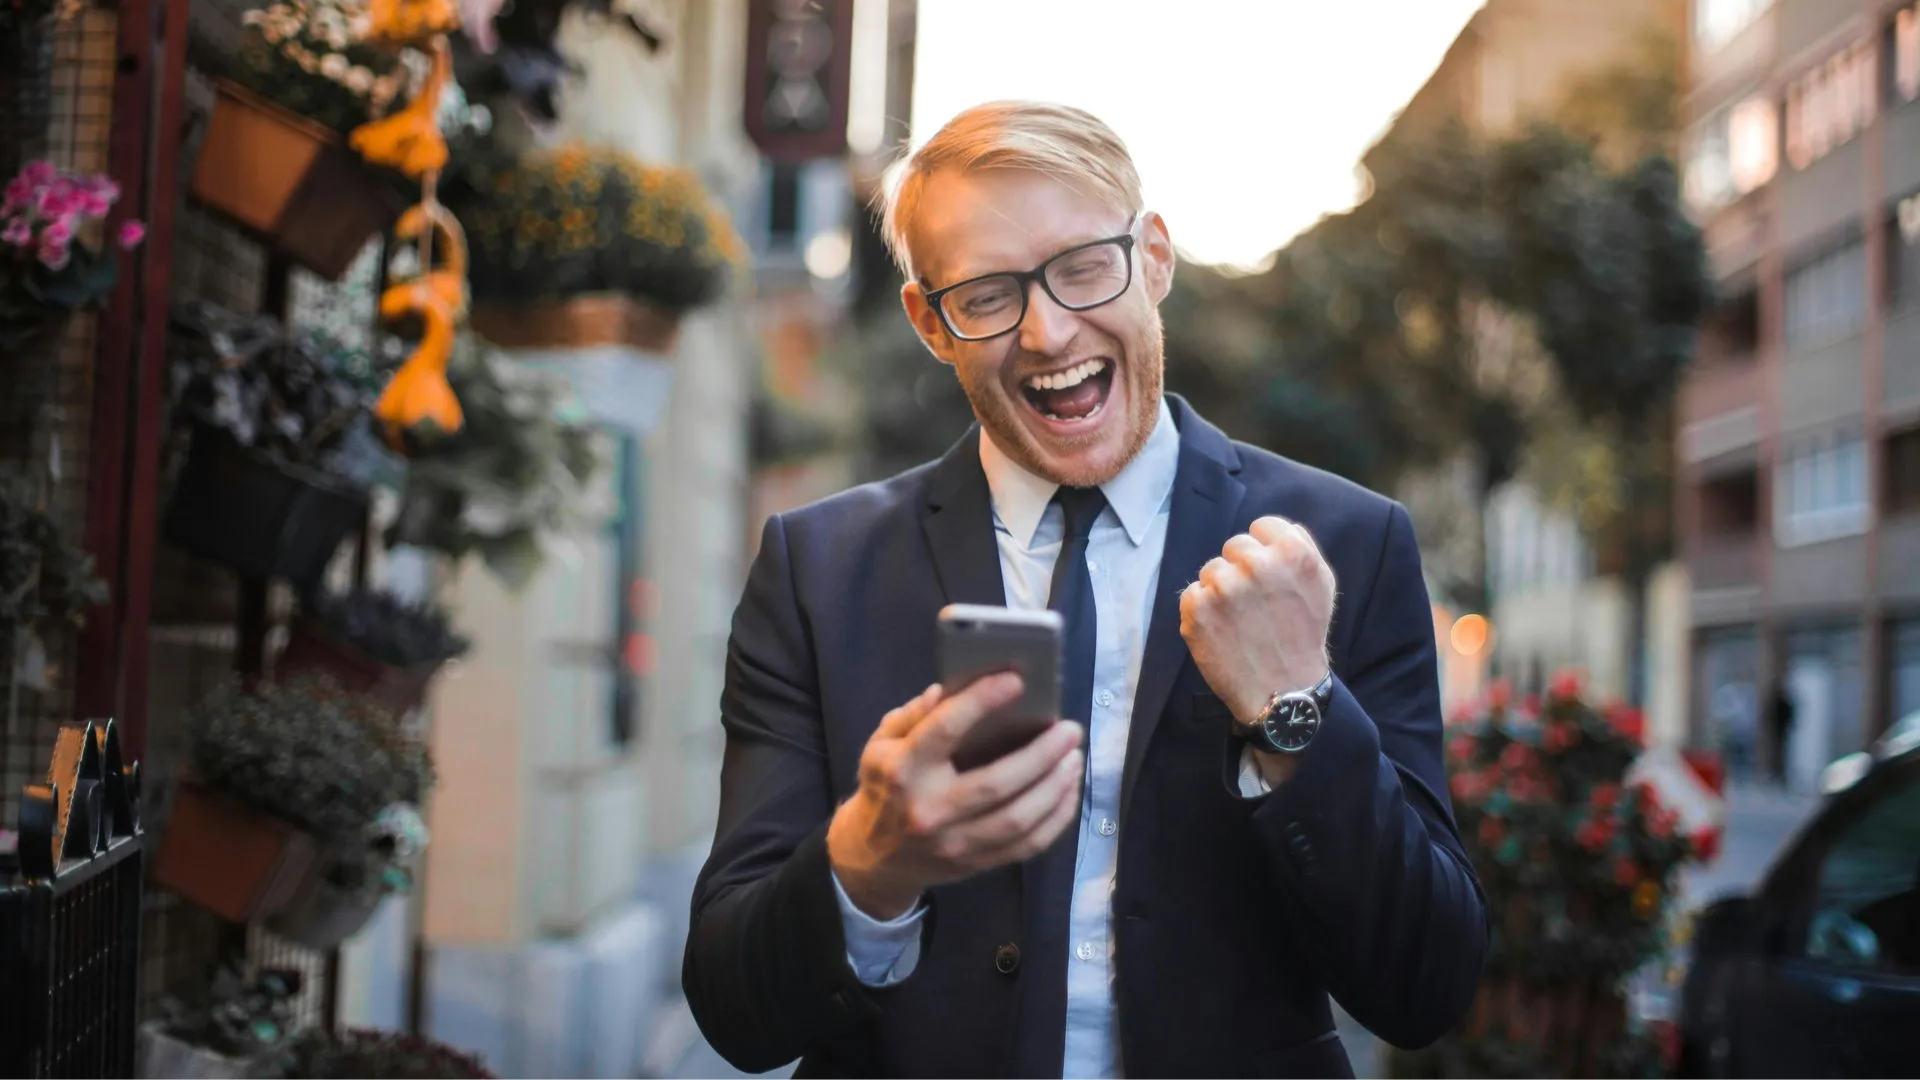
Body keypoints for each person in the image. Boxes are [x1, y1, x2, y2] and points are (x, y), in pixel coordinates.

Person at [683, 101, 1488, 1079]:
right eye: (985, 293)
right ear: (930, 323)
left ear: (1153, 257)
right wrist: (869, 860)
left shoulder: (1347, 546)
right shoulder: (816, 569)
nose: (1046, 328)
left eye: (1082, 267)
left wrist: (1296, 713)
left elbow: (1423, 988)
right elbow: (736, 1014)